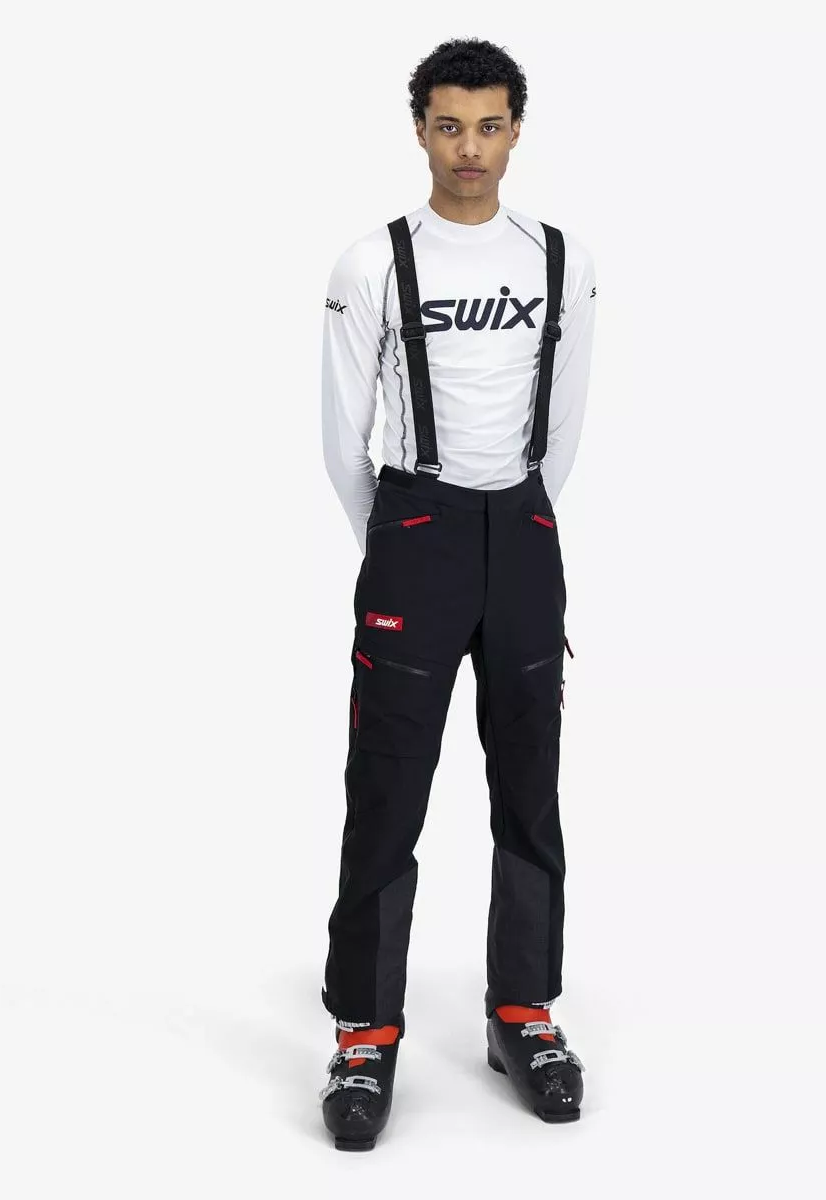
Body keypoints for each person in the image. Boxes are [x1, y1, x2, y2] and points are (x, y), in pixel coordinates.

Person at [317, 37, 597, 1150]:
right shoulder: (372, 264)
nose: (469, 148)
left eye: (488, 126)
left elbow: (563, 425)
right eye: (448, 126)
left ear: (515, 130)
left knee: (530, 783)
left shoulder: (559, 259)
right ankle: (365, 1031)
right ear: (421, 131)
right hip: (414, 532)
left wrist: (511, 529)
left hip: (522, 533)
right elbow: (342, 441)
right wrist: (405, 544)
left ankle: (523, 1012)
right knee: (387, 789)